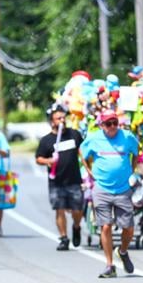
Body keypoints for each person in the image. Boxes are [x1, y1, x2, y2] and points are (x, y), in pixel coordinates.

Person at [80, 109, 139, 278]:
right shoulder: (93, 138)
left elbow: (136, 153)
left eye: (115, 123)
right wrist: (89, 171)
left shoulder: (127, 137)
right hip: (102, 188)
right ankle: (109, 265)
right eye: (108, 123)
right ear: (102, 125)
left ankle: (123, 250)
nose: (112, 126)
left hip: (122, 188)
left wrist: (131, 170)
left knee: (128, 227)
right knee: (105, 226)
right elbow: (82, 152)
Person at [35, 104, 85, 250]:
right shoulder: (47, 140)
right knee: (60, 209)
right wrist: (48, 161)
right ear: (52, 121)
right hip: (56, 181)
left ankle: (76, 227)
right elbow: (38, 158)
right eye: (58, 118)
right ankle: (63, 238)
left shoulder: (74, 134)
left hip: (74, 179)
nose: (62, 120)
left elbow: (82, 152)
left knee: (77, 210)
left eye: (64, 118)